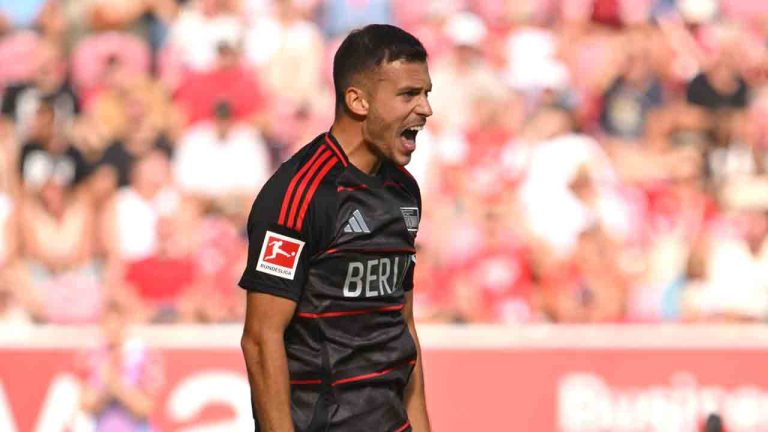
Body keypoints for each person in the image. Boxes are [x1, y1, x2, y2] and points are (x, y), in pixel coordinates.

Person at [239, 24, 432, 431]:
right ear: (358, 100)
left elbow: (403, 326)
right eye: (408, 94)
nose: (426, 108)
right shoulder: (298, 193)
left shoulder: (404, 191)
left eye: (426, 93)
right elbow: (260, 340)